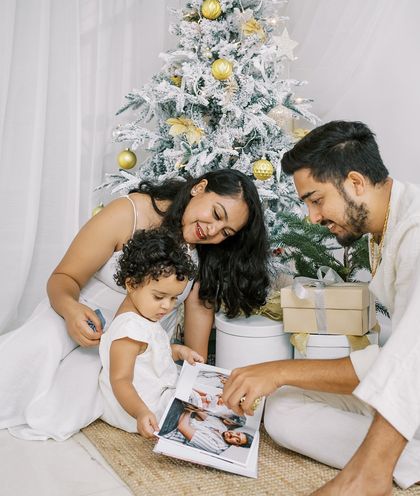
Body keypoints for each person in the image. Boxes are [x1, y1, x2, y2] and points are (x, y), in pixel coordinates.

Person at [222, 121, 420, 493]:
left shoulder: (416, 232)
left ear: (356, 183)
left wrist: (279, 369)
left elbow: (411, 359)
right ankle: (407, 458)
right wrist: (278, 375)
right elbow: (391, 363)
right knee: (283, 409)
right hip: (409, 385)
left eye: (316, 200)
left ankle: (370, 474)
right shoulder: (387, 227)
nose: (312, 217)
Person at [0, 168, 270, 441]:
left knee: (67, 404)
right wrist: (70, 310)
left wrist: (195, 378)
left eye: (225, 231)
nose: (212, 231)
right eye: (216, 214)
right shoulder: (130, 213)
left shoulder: (207, 254)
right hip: (75, 312)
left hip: (129, 346)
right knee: (34, 352)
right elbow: (63, 278)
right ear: (199, 188)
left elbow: (195, 347)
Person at [99, 228, 204, 437]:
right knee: (196, 408)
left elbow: (151, 353)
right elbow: (120, 380)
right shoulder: (129, 330)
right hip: (137, 406)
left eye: (174, 298)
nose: (167, 306)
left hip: (154, 394)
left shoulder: (145, 316)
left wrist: (179, 351)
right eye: (159, 297)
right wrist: (140, 412)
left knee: (200, 395)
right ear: (131, 284)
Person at [170, 406, 252, 455]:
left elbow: (182, 427)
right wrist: (193, 406)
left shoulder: (217, 447)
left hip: (171, 429)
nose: (233, 435)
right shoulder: (222, 428)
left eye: (237, 440)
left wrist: (189, 410)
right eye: (237, 434)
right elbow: (198, 410)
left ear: (236, 445)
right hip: (180, 416)